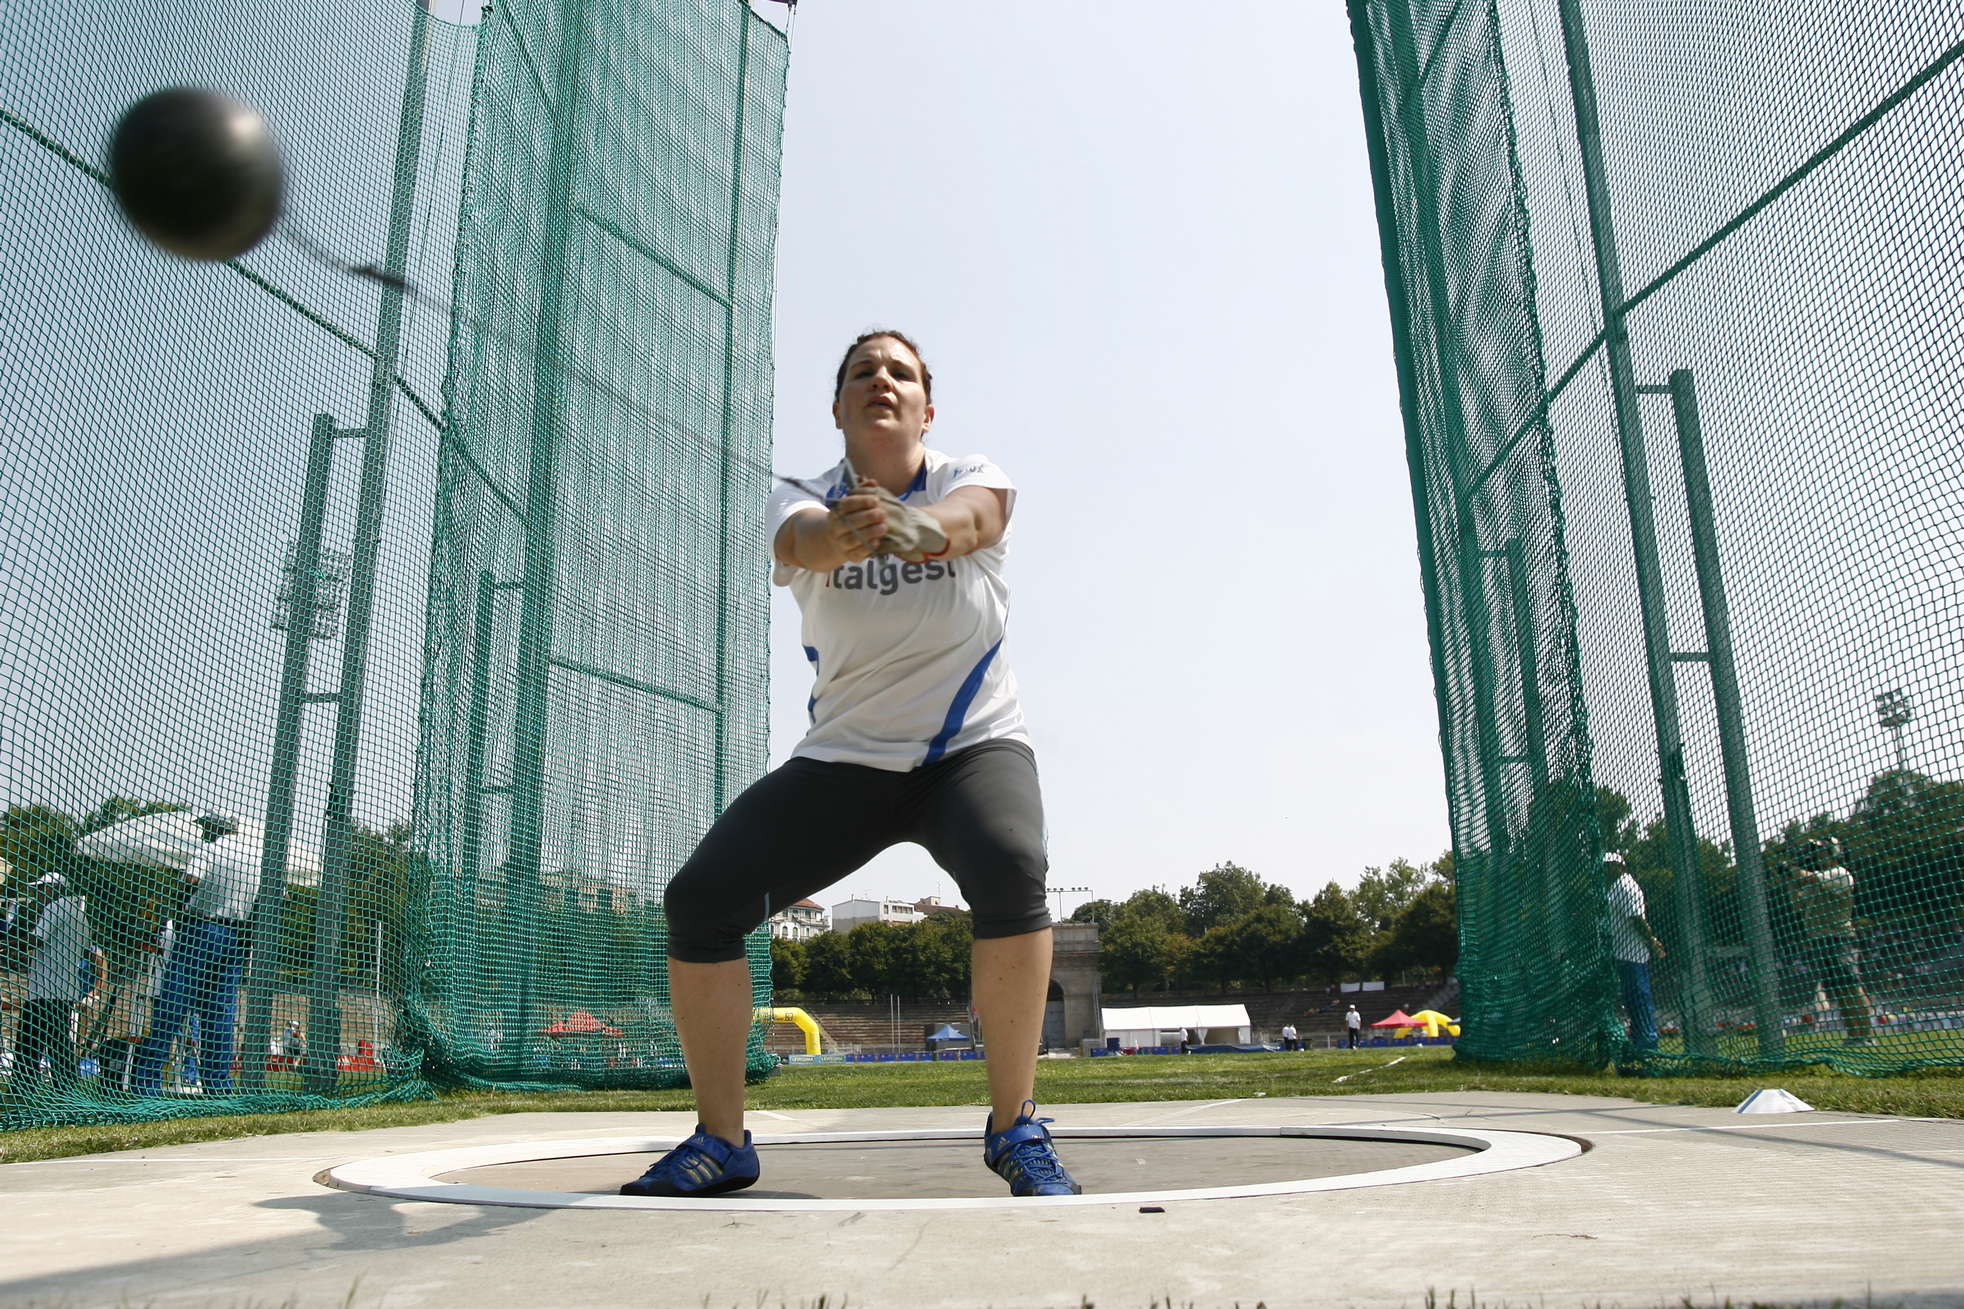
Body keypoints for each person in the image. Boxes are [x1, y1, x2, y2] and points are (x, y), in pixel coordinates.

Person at [620, 330, 1075, 1199]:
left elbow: (971, 522)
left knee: (1012, 863)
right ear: (837, 407)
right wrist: (847, 530)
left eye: (901, 372)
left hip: (970, 746)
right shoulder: (797, 498)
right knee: (700, 904)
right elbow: (806, 544)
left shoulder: (971, 474)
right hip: (846, 759)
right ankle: (723, 1140)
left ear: (927, 409)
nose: (882, 381)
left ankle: (1016, 1126)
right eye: (863, 372)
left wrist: (908, 526)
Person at [133, 814, 257, 1095]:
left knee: (173, 1004)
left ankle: (147, 1083)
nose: (203, 834)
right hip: (237, 935)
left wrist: (177, 910)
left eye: (205, 829)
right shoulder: (255, 857)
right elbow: (275, 898)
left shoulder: (210, 849)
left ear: (214, 830)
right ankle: (218, 1086)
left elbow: (191, 879)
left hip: (201, 927)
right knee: (220, 1012)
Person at [12, 873, 104, 1090]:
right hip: (65, 990)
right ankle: (65, 1088)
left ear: (54, 889)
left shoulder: (55, 907)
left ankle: (22, 1088)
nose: (38, 894)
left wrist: (10, 944)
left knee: (29, 1044)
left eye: (42, 888)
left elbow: (36, 939)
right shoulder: (80, 914)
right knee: (60, 1045)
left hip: (44, 990)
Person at [1785, 837, 1872, 1045]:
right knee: (1840, 991)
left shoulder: (1839, 873)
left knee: (1851, 986)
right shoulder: (1819, 878)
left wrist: (1792, 869)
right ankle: (1854, 1035)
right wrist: (1790, 879)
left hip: (1839, 938)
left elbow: (1808, 879)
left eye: (1822, 850)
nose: (1817, 854)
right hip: (1822, 940)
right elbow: (1796, 903)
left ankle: (1865, 1035)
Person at [1604, 852, 1666, 1055]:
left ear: (1620, 866)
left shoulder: (1626, 886)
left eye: (1609, 865)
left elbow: (1636, 919)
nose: (1606, 869)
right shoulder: (1615, 887)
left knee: (1639, 999)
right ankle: (1641, 1045)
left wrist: (1651, 942)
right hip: (1623, 954)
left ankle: (1647, 1047)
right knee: (1633, 1001)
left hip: (1633, 955)